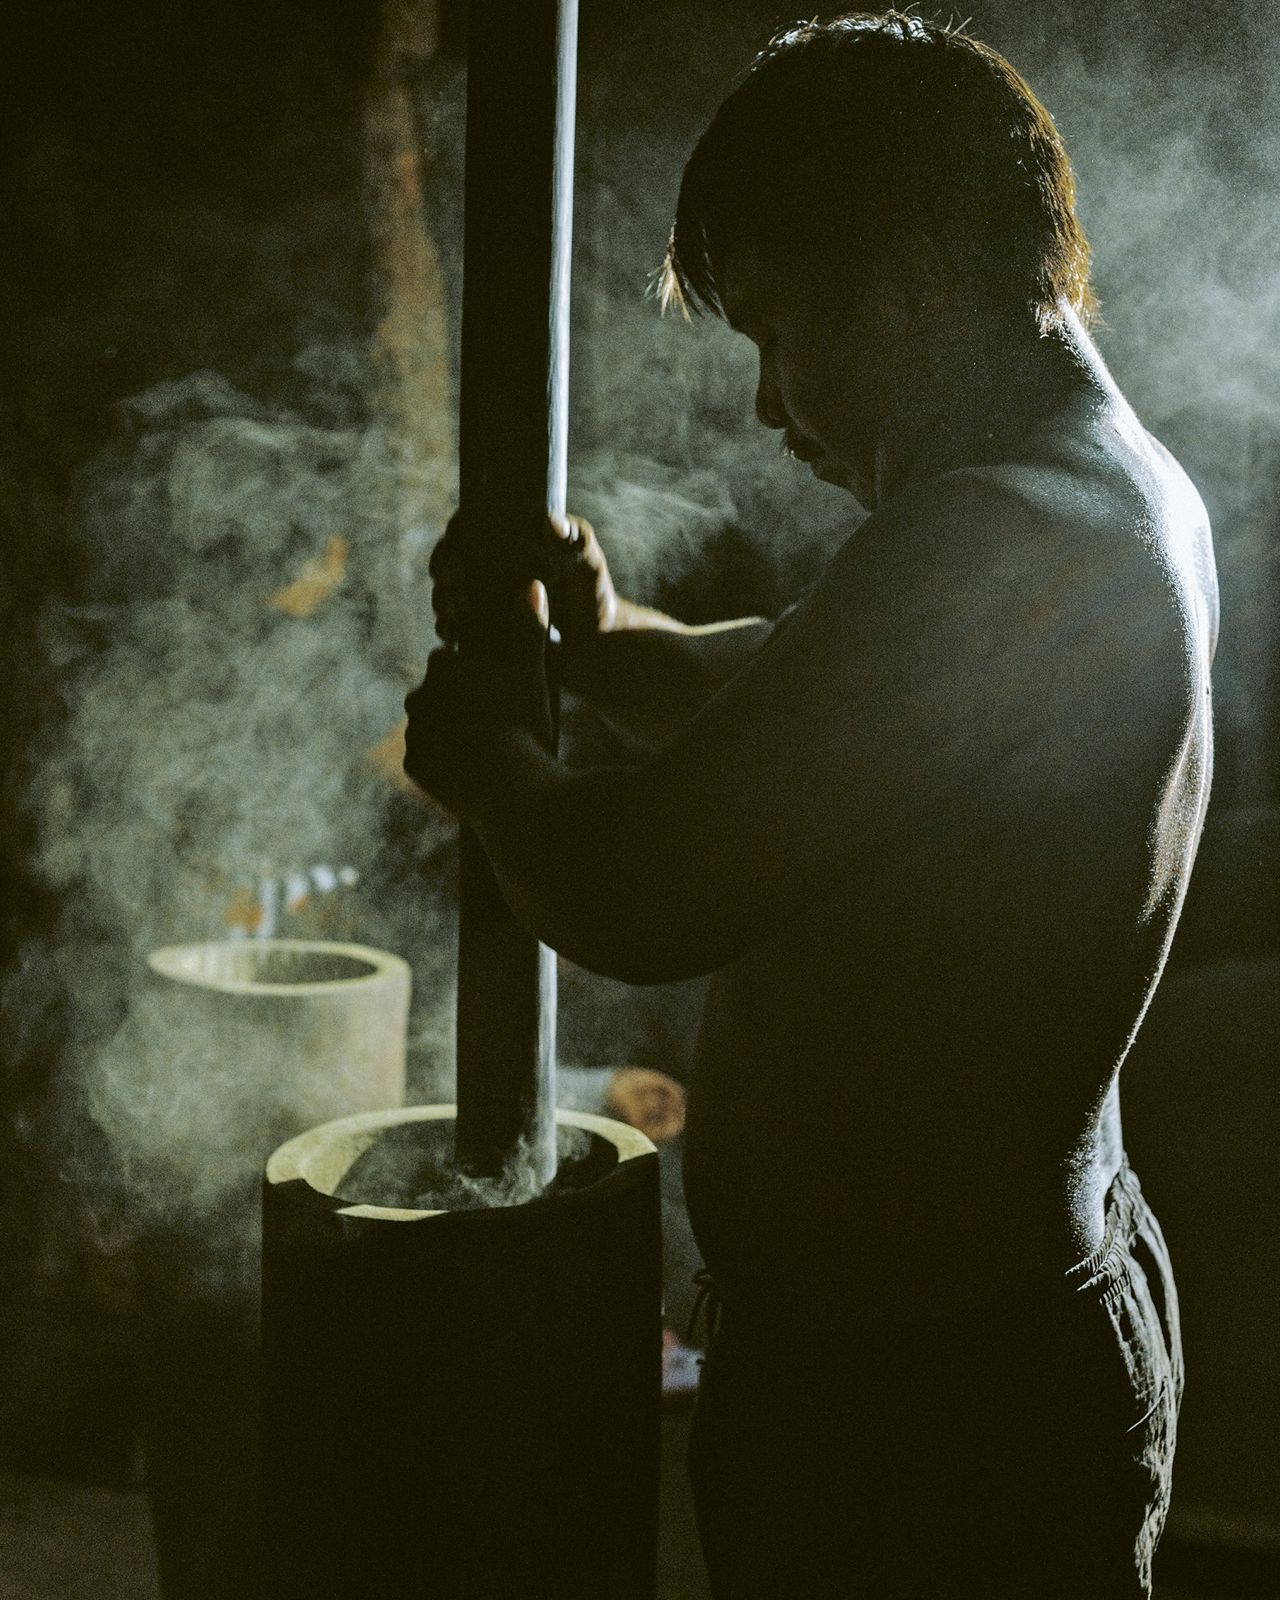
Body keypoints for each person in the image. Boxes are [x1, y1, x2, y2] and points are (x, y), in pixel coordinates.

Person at [405, 12, 1217, 1596]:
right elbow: (845, 700)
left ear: (912, 269)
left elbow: (646, 892)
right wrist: (609, 643)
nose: (774, 406)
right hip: (960, 1360)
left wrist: (489, 766)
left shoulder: (1004, 530)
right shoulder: (1097, 490)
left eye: (782, 329)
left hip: (932, 1417)